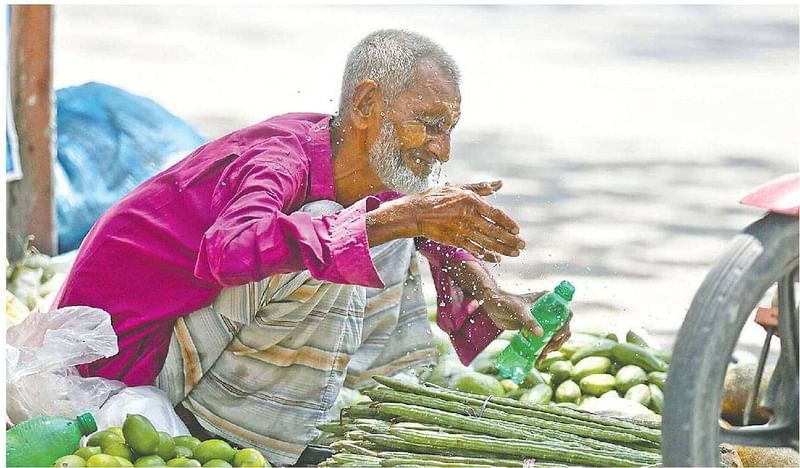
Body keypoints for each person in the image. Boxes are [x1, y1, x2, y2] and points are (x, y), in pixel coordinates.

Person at [55, 29, 558, 465]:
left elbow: (403, 218)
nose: (442, 149)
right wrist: (393, 219)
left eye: (448, 130)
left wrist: (487, 290)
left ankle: (370, 406)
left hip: (180, 340)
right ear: (364, 105)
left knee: (382, 222)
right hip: (123, 363)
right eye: (429, 125)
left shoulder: (341, 152)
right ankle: (248, 441)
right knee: (348, 226)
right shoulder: (279, 157)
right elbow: (230, 250)